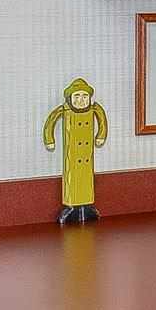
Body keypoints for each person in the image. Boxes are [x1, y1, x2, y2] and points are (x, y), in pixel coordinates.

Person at [42, 77, 107, 224]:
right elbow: (51, 122)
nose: (80, 100)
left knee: (86, 176)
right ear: (70, 98)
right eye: (76, 96)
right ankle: (72, 206)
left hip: (86, 154)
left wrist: (100, 135)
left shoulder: (94, 109)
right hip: (72, 154)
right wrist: (49, 140)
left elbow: (102, 120)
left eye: (84, 96)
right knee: (73, 177)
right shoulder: (65, 110)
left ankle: (86, 206)